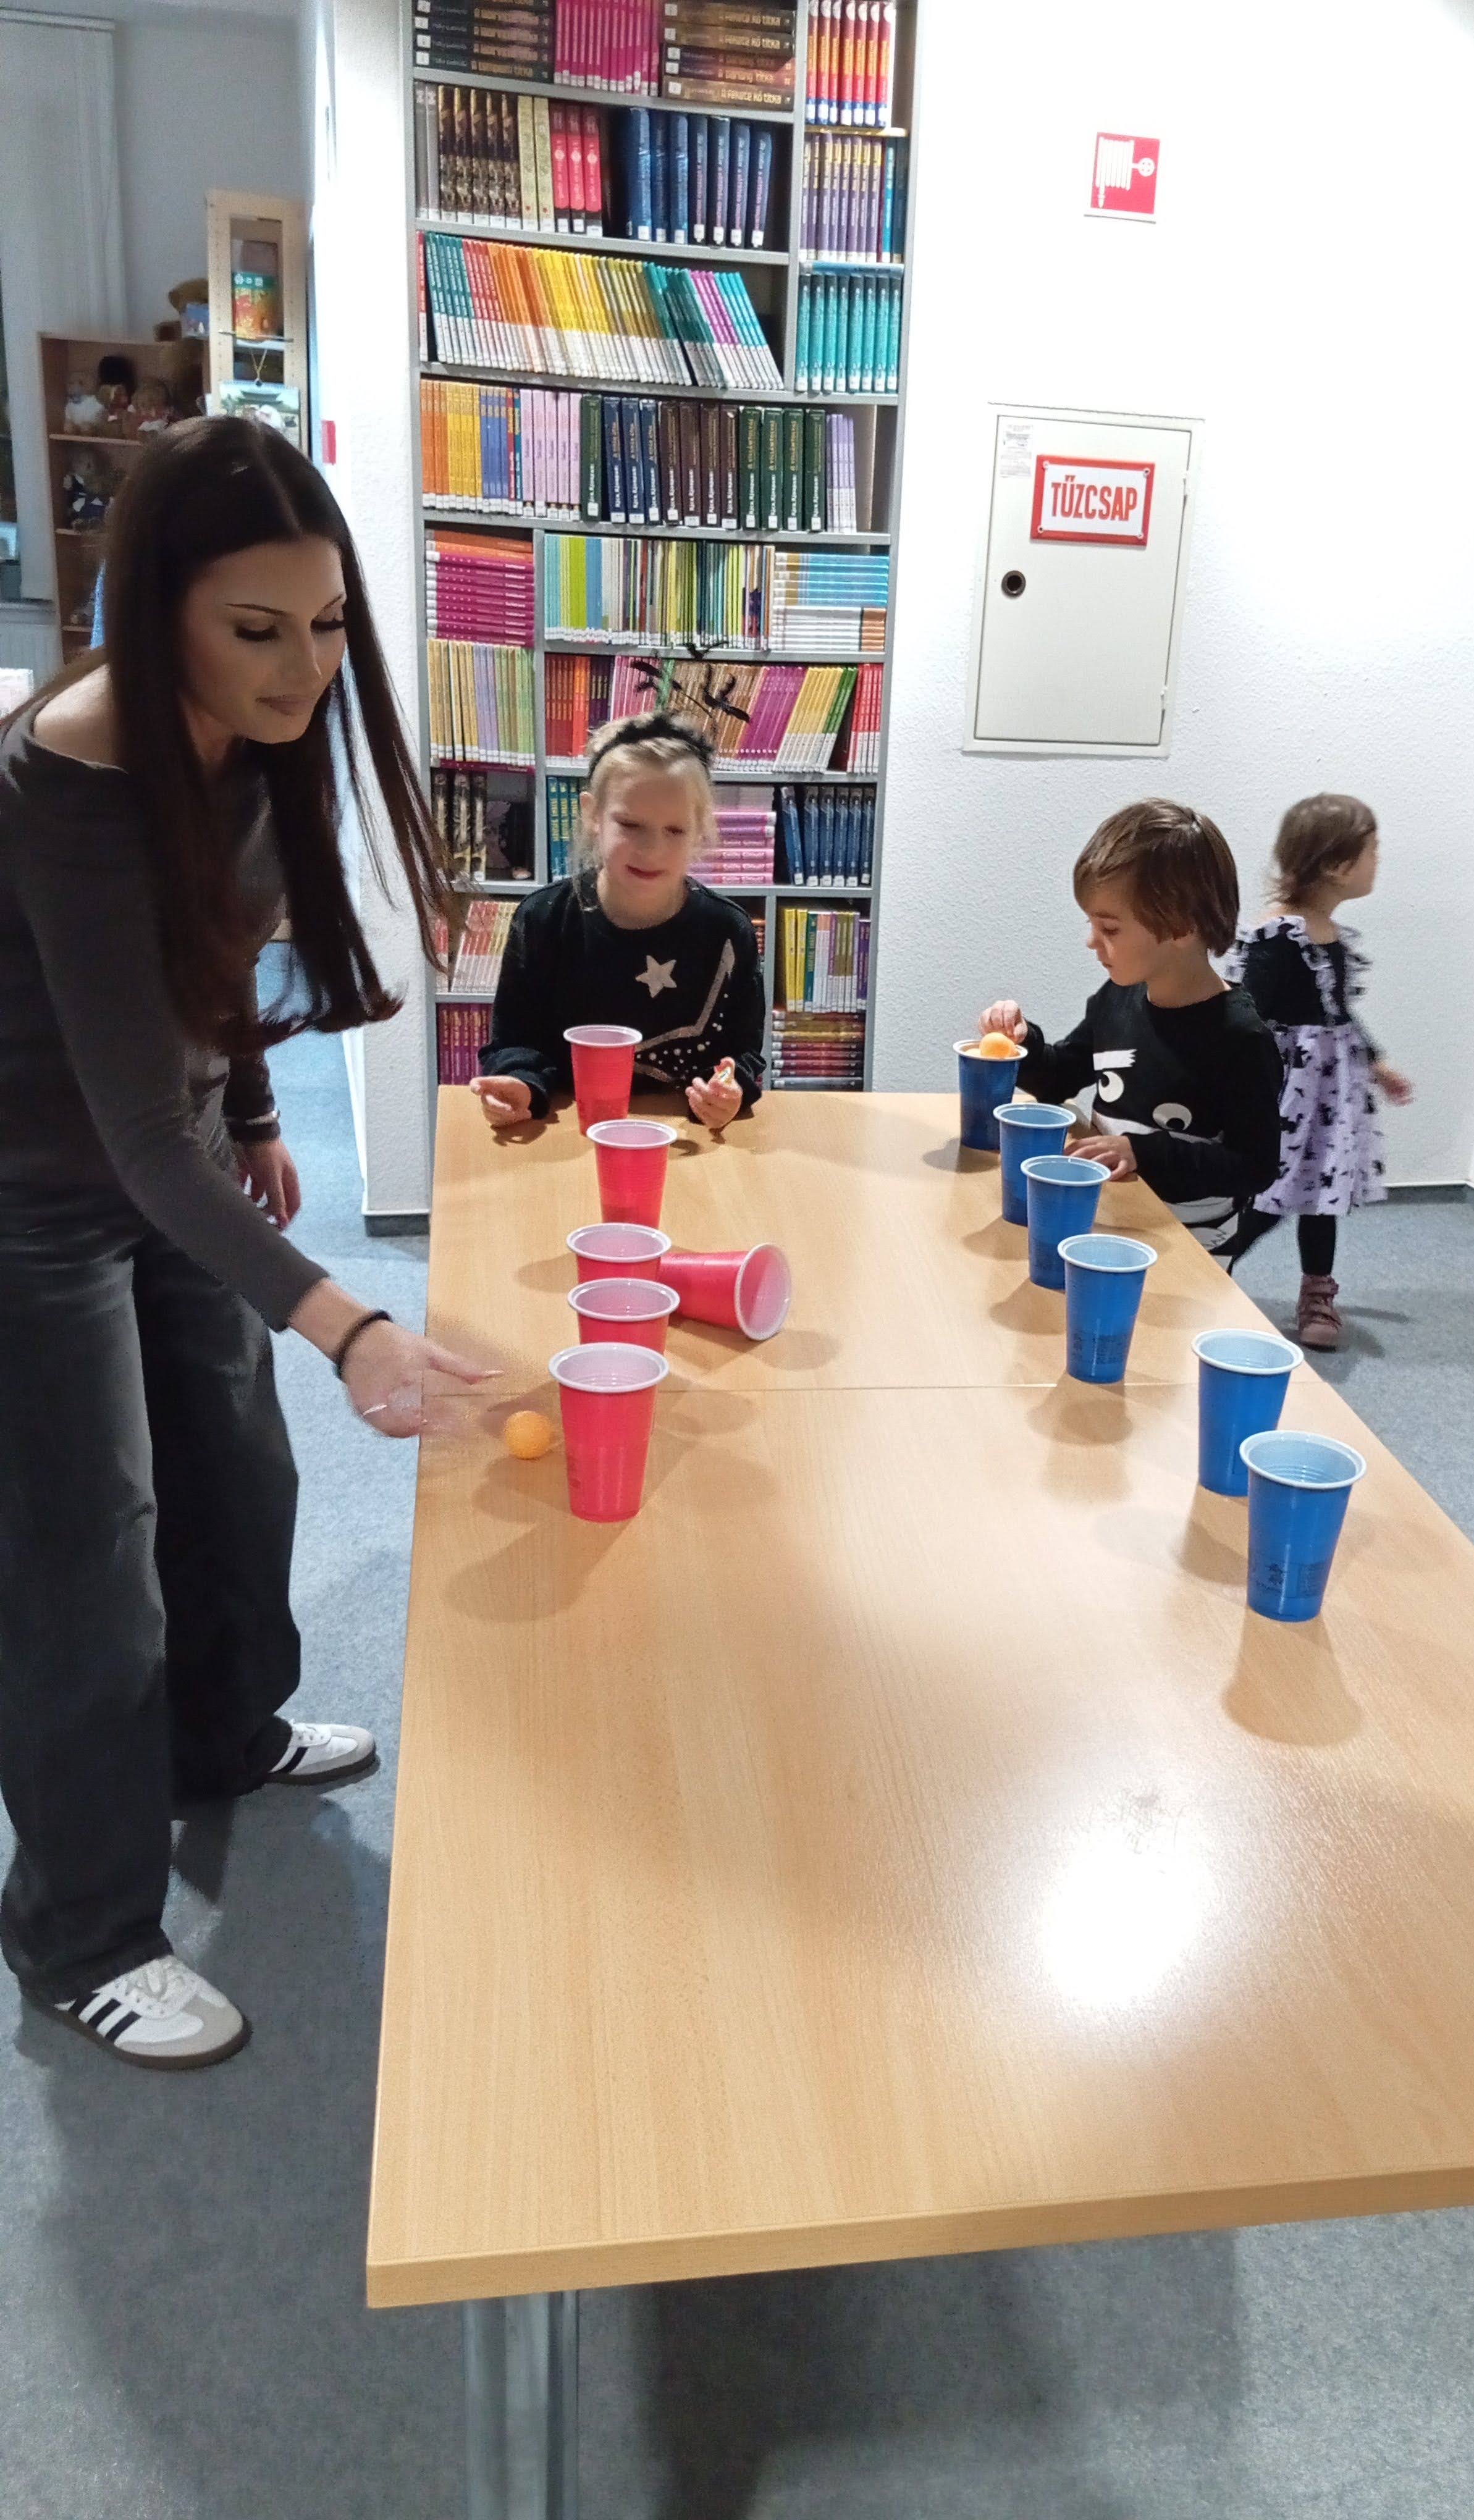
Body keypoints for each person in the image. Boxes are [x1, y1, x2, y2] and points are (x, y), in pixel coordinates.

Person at [0, 418, 484, 2072]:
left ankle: (224, 1735)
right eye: (258, 628)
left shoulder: (263, 736)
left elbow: (210, 968)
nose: (305, 668)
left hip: (177, 1155)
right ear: (161, 613)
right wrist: (352, 1322)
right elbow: (136, 1135)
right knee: (88, 1560)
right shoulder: (70, 779)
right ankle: (81, 1933)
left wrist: (261, 1109)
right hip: (35, 1197)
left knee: (238, 1471)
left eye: (329, 623)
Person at [979, 798, 1283, 1256]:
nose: (1091, 942)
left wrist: (1143, 1152)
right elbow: (1059, 1077)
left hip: (1189, 1247)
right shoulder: (1116, 1000)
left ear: (1181, 926)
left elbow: (1254, 1166)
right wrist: (1024, 1044)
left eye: (1110, 929)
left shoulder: (1241, 1038)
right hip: (1112, 1214)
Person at [471, 712, 765, 1132]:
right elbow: (514, 1041)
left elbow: (744, 1054)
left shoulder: (728, 932)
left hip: (686, 1139)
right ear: (593, 815)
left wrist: (729, 1093)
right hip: (567, 1132)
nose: (652, 849)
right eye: (630, 824)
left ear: (700, 829)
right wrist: (519, 1084)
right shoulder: (543, 919)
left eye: (675, 830)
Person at [1225, 793, 1413, 1350]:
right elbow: (1245, 1015)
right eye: (1372, 850)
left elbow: (1337, 1012)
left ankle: (1318, 1293)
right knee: (1268, 1192)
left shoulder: (1330, 934)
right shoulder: (1278, 937)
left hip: (1329, 1094)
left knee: (1321, 1192)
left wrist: (1375, 1061)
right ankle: (1210, 1265)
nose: (1379, 860)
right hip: (1287, 1092)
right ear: (1336, 864)